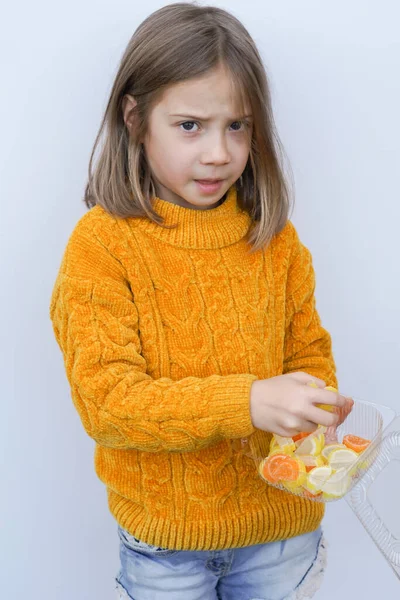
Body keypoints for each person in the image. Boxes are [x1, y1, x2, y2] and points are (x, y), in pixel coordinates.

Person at [49, 3, 349, 599]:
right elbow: (108, 403)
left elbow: (309, 354)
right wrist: (249, 401)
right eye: (190, 126)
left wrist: (318, 431)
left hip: (284, 537)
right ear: (135, 119)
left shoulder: (275, 240)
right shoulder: (103, 246)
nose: (218, 152)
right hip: (167, 552)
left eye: (237, 126)